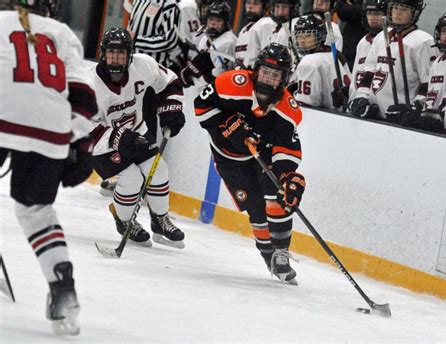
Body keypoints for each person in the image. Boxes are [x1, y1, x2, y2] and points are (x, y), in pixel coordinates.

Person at [0, 0, 98, 335]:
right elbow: (85, 96)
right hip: (51, 128)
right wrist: (80, 145)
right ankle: (63, 290)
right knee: (35, 209)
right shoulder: (61, 32)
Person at [194, 43, 305, 284]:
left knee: (279, 193)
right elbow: (201, 107)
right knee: (255, 208)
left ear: (284, 79)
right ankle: (268, 255)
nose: (268, 78)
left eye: (275, 75)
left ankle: (281, 254)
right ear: (256, 70)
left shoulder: (287, 109)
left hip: (261, 152)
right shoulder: (232, 83)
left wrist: (288, 176)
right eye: (265, 71)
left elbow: (287, 147)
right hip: (228, 157)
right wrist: (226, 127)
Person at [89, 28, 186, 249]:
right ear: (103, 54)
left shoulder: (143, 65)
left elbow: (169, 81)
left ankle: (160, 219)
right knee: (132, 179)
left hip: (137, 130)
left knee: (159, 169)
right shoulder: (90, 84)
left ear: (130, 55)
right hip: (101, 144)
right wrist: (119, 138)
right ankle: (123, 220)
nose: (116, 59)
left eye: (121, 54)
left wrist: (171, 109)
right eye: (112, 53)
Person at [349, 0, 439, 123]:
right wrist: (362, 97)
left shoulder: (423, 42)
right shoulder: (382, 36)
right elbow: (369, 70)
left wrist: (414, 108)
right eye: (395, 8)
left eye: (404, 9)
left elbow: (429, 83)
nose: (397, 13)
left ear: (415, 13)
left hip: (401, 119)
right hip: (373, 115)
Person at [401, 11, 446, 133]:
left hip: (444, 122)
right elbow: (430, 90)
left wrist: (440, 112)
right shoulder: (438, 59)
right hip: (430, 119)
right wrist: (418, 106)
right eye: (443, 31)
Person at [293, 14, 351, 110]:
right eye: (299, 36)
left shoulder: (309, 62)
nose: (302, 41)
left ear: (321, 36)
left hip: (320, 117)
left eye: (308, 35)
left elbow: (306, 104)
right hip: (344, 114)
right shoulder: (336, 54)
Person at [179, 1, 237, 89]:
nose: (213, 23)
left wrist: (195, 82)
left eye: (218, 20)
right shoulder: (205, 36)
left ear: (225, 23)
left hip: (218, 90)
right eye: (211, 19)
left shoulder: (228, 42)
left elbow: (220, 74)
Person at [127, 0, 182, 74]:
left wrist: (137, 40)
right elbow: (130, 30)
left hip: (154, 70)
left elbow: (170, 41)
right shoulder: (138, 1)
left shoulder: (169, 4)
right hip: (132, 66)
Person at [349, 0, 386, 101]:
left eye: (377, 13)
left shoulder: (389, 41)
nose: (372, 18)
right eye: (369, 13)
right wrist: (351, 93)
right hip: (359, 101)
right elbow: (357, 74)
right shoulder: (363, 42)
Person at [244, 0, 298, 68]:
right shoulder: (262, 25)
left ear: (293, 8)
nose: (280, 12)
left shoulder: (296, 26)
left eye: (285, 7)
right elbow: (251, 59)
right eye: (277, 7)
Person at [334, 0, 367, 70]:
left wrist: (347, 5)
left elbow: (363, 10)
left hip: (363, 38)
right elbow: (342, 11)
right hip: (349, 43)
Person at [235, 0, 267, 67]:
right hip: (241, 73)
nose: (250, 7)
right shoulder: (244, 29)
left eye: (256, 3)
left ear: (264, 8)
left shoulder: (265, 26)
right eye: (248, 3)